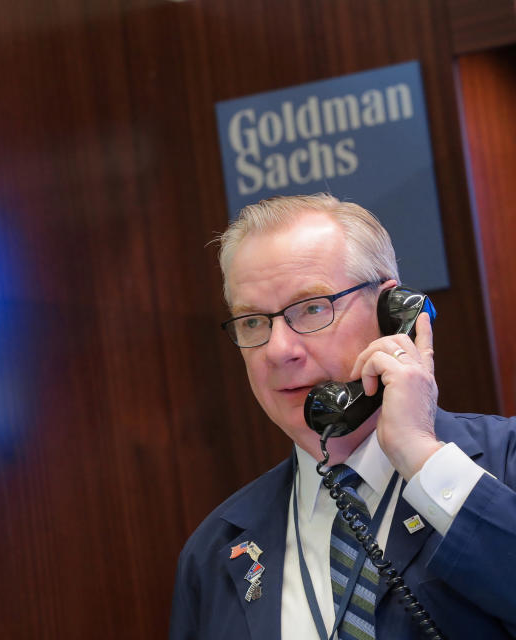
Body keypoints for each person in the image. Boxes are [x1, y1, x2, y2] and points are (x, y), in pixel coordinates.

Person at [169, 194, 516, 640]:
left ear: (392, 313)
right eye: (253, 321)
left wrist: (420, 456)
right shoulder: (214, 553)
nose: (278, 350)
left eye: (312, 308)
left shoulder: (504, 463)